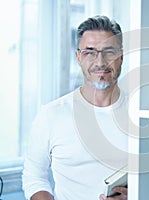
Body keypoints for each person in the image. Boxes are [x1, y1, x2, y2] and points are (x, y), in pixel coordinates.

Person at [22, 15, 129, 200]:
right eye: (90, 52)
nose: (100, 62)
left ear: (121, 57)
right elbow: (34, 177)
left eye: (109, 52)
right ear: (78, 57)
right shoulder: (51, 115)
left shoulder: (142, 114)